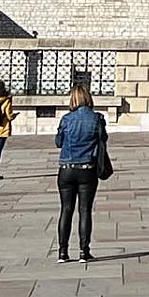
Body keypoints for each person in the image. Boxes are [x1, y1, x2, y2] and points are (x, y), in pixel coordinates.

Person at [54, 84, 107, 263]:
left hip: (66, 169)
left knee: (66, 210)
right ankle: (84, 251)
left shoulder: (66, 119)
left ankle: (63, 252)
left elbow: (58, 142)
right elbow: (103, 139)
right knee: (85, 211)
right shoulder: (97, 118)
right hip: (87, 170)